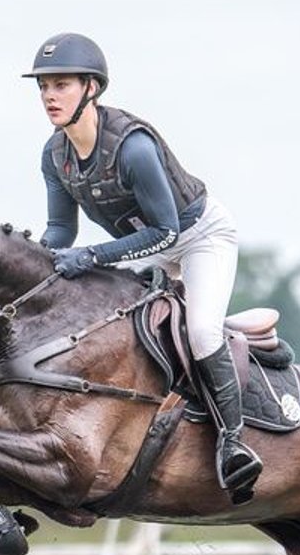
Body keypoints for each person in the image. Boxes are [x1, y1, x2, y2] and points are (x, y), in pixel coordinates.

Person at [23, 31, 262, 501]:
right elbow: (60, 231)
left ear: (91, 88)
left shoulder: (131, 147)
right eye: (44, 87)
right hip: (146, 244)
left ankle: (234, 444)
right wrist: (29, 260)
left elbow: (166, 231)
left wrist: (92, 256)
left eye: (61, 85)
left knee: (202, 334)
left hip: (196, 238)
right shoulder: (56, 155)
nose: (50, 96)